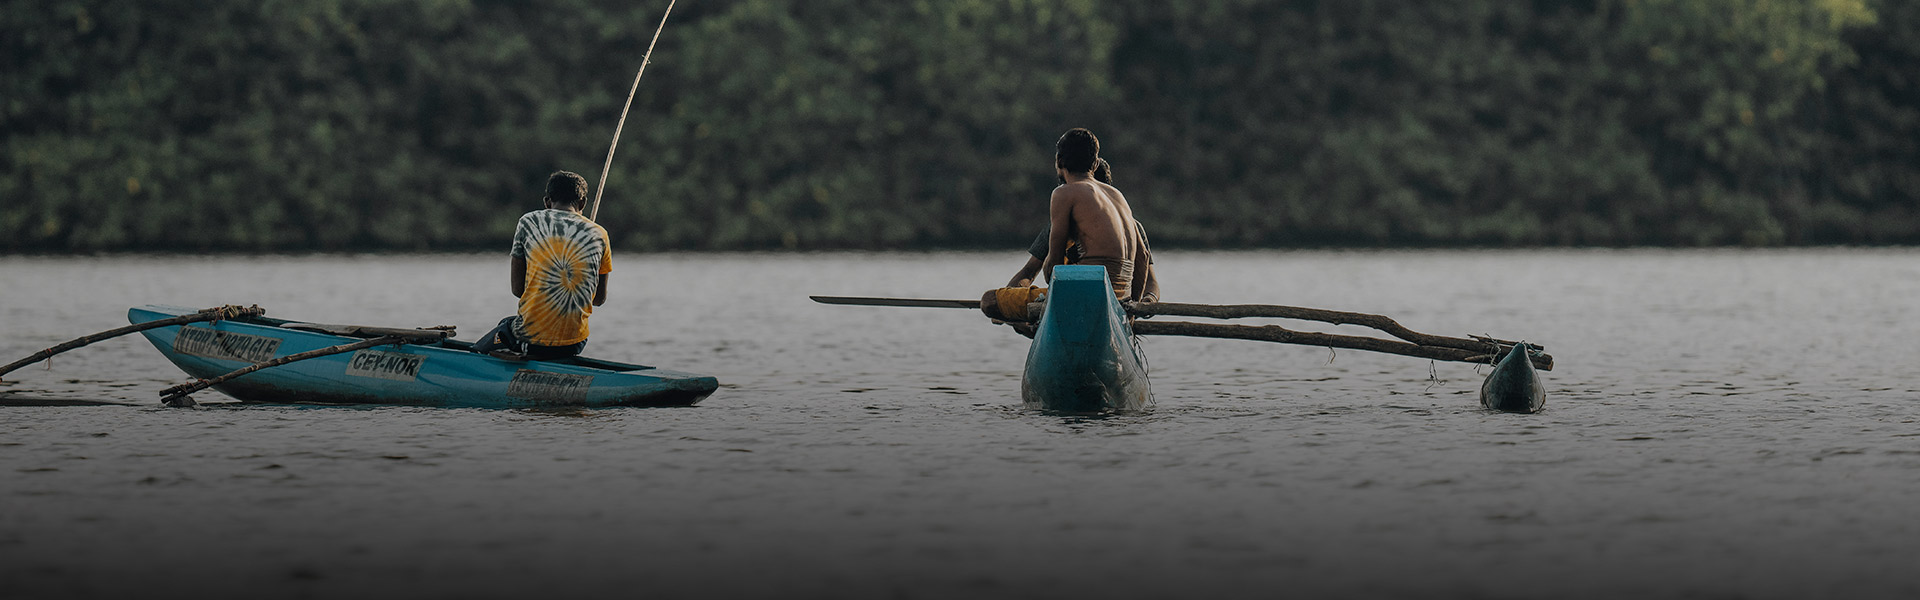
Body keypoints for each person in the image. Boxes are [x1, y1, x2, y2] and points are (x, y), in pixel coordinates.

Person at [472, 171, 612, 360]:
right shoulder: (600, 234)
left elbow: (518, 290)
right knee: (509, 324)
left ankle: (475, 357)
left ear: (547, 202)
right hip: (575, 343)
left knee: (505, 327)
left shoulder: (528, 222)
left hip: (531, 340)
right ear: (582, 203)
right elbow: (599, 300)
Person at [1035, 128, 1157, 303]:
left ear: (1059, 160)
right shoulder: (1117, 195)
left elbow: (1053, 267)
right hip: (1121, 299)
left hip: (1089, 294)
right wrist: (1132, 307)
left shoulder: (1063, 193)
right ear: (1095, 164)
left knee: (995, 301)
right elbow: (1143, 256)